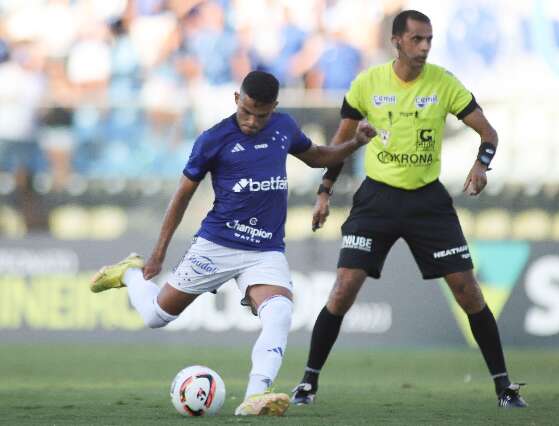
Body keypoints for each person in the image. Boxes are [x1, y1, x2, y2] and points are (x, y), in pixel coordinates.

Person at [90, 70, 376, 416]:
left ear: (275, 108)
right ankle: (129, 274)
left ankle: (255, 397)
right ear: (236, 99)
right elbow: (181, 196)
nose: (254, 121)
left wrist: (355, 143)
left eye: (262, 114)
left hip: (266, 250)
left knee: (280, 312)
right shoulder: (213, 139)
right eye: (247, 111)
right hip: (217, 245)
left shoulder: (284, 127)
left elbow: (318, 157)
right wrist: (157, 254)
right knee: (155, 315)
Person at [291, 10, 527, 408]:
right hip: (377, 199)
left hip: (427, 202)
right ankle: (307, 384)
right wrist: (325, 191)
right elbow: (339, 141)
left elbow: (488, 132)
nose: (424, 48)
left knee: (468, 292)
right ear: (396, 41)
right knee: (343, 289)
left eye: (429, 40)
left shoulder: (443, 83)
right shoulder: (367, 84)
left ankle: (504, 388)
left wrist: (481, 165)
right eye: (417, 40)